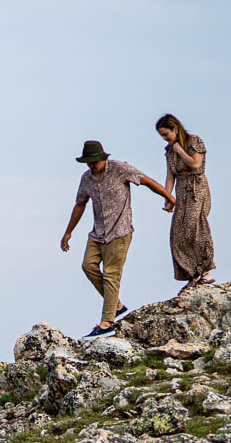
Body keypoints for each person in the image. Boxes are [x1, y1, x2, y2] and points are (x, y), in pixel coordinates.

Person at [60, 140, 175, 338]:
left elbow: (147, 181)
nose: (91, 165)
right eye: (88, 162)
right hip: (97, 233)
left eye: (94, 161)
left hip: (119, 232)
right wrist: (68, 232)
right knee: (88, 265)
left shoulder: (120, 169)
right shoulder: (86, 178)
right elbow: (80, 204)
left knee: (111, 274)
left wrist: (169, 198)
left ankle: (107, 323)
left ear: (103, 158)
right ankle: (117, 305)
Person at [156, 113, 215, 292]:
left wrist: (180, 150)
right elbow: (170, 175)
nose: (165, 138)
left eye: (166, 134)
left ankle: (205, 269)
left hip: (196, 189)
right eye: (162, 136)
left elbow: (196, 165)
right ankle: (191, 273)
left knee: (194, 228)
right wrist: (168, 197)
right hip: (181, 191)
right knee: (178, 234)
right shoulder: (168, 151)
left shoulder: (193, 142)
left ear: (175, 128)